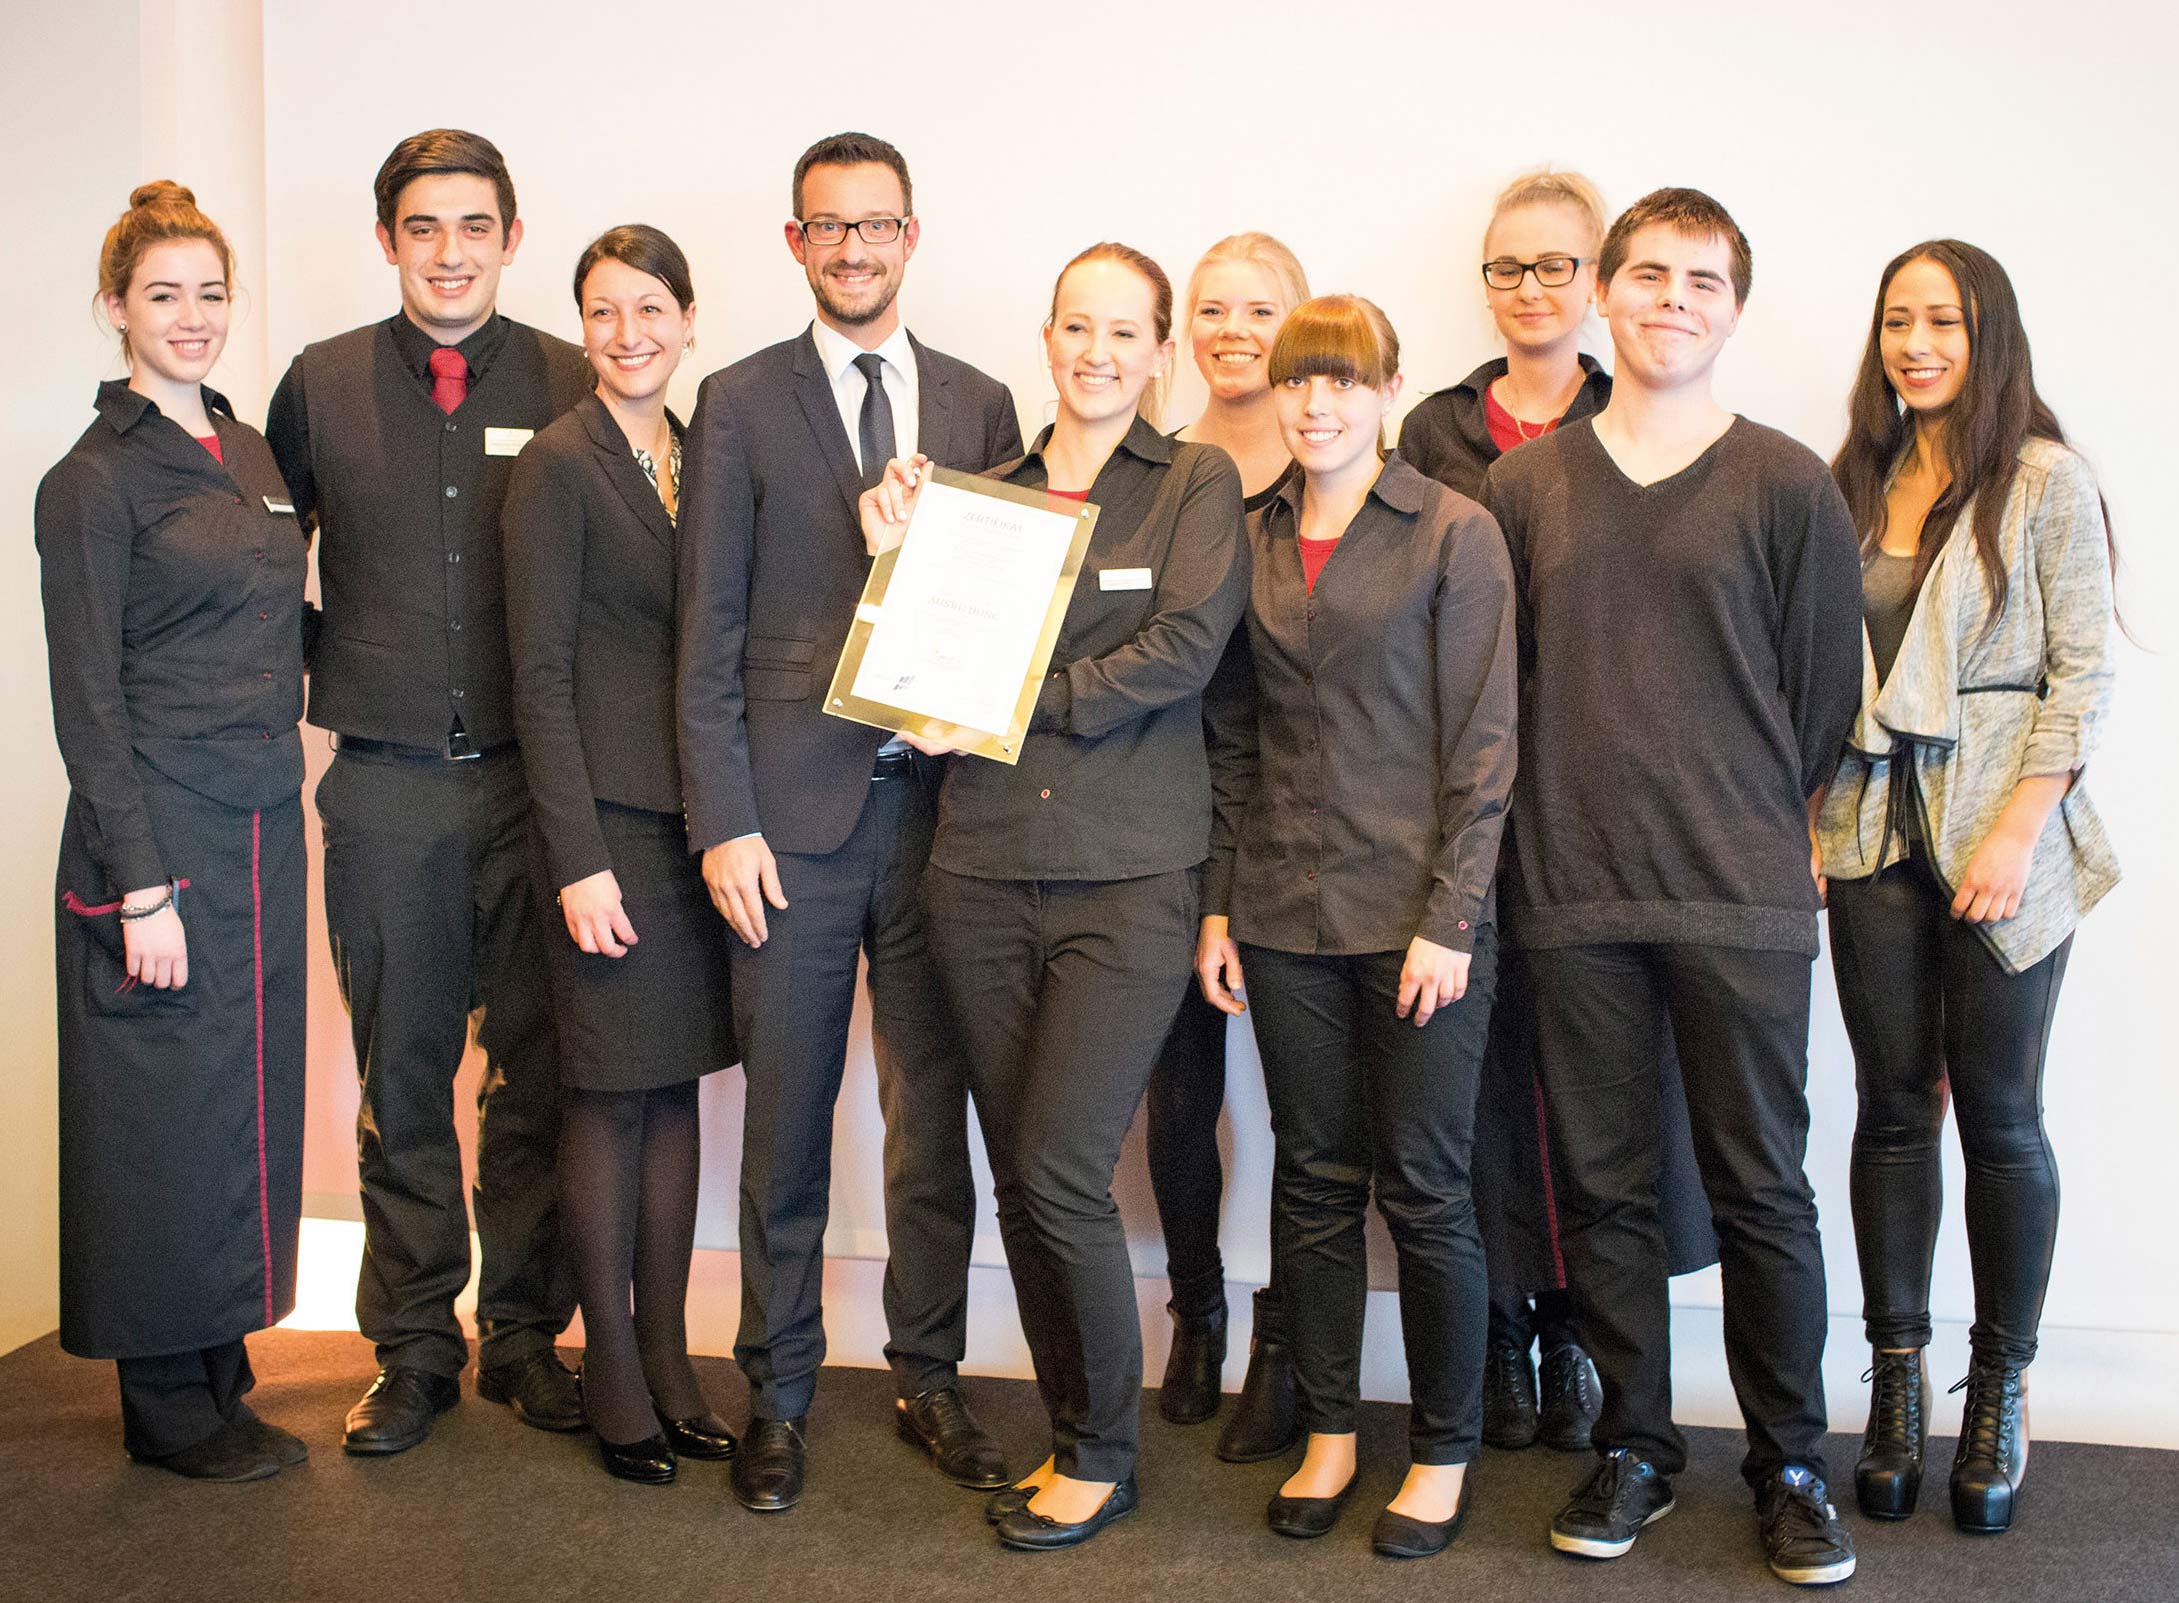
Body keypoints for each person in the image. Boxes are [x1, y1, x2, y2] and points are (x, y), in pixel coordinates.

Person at [1482, 188, 1864, 1587]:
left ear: (1731, 308)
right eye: (1645, 276)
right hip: (1571, 886)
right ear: (1603, 293)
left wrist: (1751, 816)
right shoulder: (1522, 490)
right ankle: (1637, 1441)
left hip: (1738, 890)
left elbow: (1820, 693)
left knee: (1761, 1185)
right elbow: (1500, 694)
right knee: (1601, 1186)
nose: (1668, 301)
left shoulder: (1781, 482)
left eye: (1699, 283)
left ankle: (1787, 1463)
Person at [862, 241, 1248, 1550]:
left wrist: (1020, 705)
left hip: (1127, 879)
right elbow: (918, 671)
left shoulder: (1194, 482)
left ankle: (1098, 1451)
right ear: (1047, 339)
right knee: (1025, 1181)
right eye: (1074, 326)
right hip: (974, 874)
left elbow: (1183, 650)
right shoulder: (985, 497)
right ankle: (1074, 1424)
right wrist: (892, 557)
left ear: (1157, 353)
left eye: (1122, 331)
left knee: (1059, 1163)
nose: (1096, 350)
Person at [675, 131, 1022, 1513]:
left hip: (947, 826)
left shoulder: (983, 402)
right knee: (788, 1123)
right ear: (794, 242)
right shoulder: (741, 401)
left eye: (875, 226)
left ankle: (926, 1375)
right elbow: (704, 635)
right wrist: (720, 819)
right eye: (828, 228)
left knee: (930, 1120)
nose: (853, 248)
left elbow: (1010, 620)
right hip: (791, 827)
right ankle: (777, 1391)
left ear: (911, 236)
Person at [266, 129, 594, 1455]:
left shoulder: (575, 378)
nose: (448, 250)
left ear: (512, 238)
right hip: (385, 790)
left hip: (537, 793)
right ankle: (409, 1347)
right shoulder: (320, 386)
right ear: (388, 238)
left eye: (473, 225)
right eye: (422, 226)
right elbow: (255, 569)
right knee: (402, 1080)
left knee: (536, 1075)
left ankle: (519, 1334)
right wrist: (328, 666)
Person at [1401, 168, 1716, 1455]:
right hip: (1461, 804)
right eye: (1505, 268)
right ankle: (1508, 1327)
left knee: (1601, 1085)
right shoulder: (1429, 432)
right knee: (1476, 1083)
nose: (1529, 290)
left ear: (1594, 283)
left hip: (1609, 807)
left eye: (1554, 267)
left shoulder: (1638, 414)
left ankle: (1592, 1326)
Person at [1198, 294, 1516, 1558]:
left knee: (1429, 1191)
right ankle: (1331, 1434)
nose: (1316, 405)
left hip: (1419, 921)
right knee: (1315, 1182)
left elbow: (1486, 744)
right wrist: (1220, 902)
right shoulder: (1251, 533)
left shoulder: (1455, 533)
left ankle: (1440, 1451)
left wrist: (1452, 918)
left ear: (1388, 393)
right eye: (1297, 384)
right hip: (1282, 913)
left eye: (1342, 383)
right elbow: (1231, 737)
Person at [1816, 240, 2119, 1535]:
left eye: (1939, 318)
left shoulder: (2042, 478)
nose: (1914, 341)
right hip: (1867, 834)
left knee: (1997, 1114)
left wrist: (2013, 832)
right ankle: (1892, 1383)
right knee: (1890, 1109)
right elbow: (1815, 661)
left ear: (1984, 331)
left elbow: (2079, 673)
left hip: (2001, 831)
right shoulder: (1851, 480)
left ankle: (1996, 1383)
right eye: (1896, 319)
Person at [38, 182, 309, 1481]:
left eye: (210, 293)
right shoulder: (90, 482)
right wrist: (139, 885)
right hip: (157, 834)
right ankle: (165, 1400)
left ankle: (218, 1364)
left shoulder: (246, 452)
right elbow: (86, 698)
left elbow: (281, 632)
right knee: (156, 1115)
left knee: (235, 1104)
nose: (192, 318)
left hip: (260, 824)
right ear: (116, 312)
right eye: (163, 295)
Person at [503, 226, 738, 1485]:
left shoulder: (704, 454)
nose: (629, 332)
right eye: (604, 312)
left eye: (651, 308)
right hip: (602, 835)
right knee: (606, 1100)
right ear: (582, 326)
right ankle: (611, 1377)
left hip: (694, 831)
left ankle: (670, 1358)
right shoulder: (557, 464)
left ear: (688, 319)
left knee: (675, 1091)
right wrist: (576, 857)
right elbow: (536, 679)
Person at [1152, 231, 1308, 1453]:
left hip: (1305, 813)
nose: (1233, 328)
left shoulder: (1336, 457)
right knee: (1178, 1087)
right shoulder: (1159, 466)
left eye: (1262, 308)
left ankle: (1293, 1334)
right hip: (1169, 806)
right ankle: (1196, 1309)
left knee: (1311, 1101)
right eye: (1211, 307)